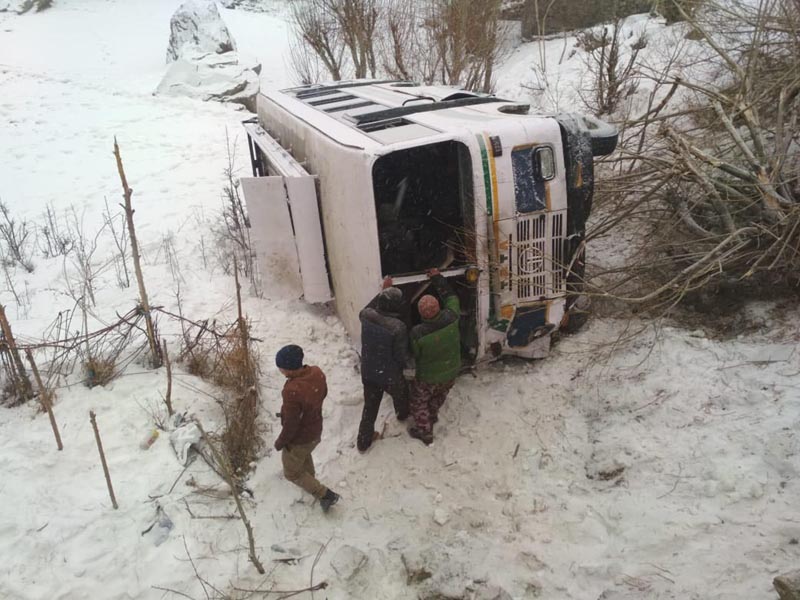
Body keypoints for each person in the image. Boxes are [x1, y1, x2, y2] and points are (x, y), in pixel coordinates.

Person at [274, 344, 340, 512]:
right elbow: (322, 394)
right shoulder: (316, 372)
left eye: (281, 368)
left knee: (292, 472)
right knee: (303, 456)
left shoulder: (292, 390)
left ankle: (324, 494)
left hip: (299, 438)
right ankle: (311, 481)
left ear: (289, 369)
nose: (280, 371)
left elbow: (291, 424)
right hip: (315, 430)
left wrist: (281, 442)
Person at [357, 277, 412, 452]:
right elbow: (401, 355)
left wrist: (383, 292)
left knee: (370, 408)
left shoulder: (366, 316)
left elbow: (367, 308)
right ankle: (402, 415)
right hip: (389, 375)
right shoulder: (398, 327)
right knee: (401, 394)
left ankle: (363, 442)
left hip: (369, 371)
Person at [408, 269, 461, 445]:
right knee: (440, 394)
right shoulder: (452, 317)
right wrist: (437, 278)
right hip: (452, 371)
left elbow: (414, 354)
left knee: (418, 402)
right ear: (439, 307)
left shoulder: (418, 333)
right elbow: (452, 297)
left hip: (428, 378)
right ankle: (432, 415)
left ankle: (425, 431)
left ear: (421, 314)